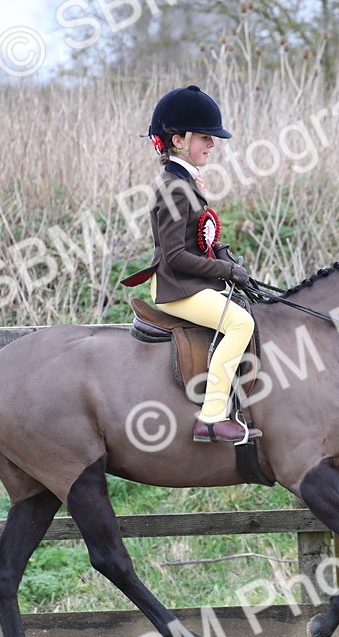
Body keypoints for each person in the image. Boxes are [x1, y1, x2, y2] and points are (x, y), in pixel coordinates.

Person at [135, 85, 261, 444]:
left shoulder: (184, 181)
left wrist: (222, 254)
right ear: (178, 140)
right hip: (178, 288)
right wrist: (225, 271)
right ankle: (210, 417)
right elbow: (174, 256)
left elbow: (196, 240)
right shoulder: (175, 188)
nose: (212, 144)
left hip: (189, 283)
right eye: (205, 137)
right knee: (240, 323)